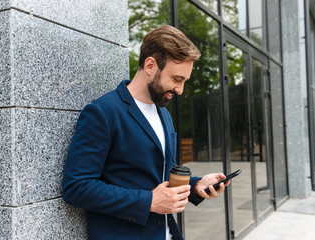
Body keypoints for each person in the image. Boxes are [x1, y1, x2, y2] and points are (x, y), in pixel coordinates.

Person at [62, 25, 230, 240]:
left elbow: (160, 173)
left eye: (184, 81)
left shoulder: (163, 113)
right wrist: (149, 201)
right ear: (150, 65)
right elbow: (77, 187)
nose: (180, 90)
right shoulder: (103, 112)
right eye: (177, 79)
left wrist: (196, 185)